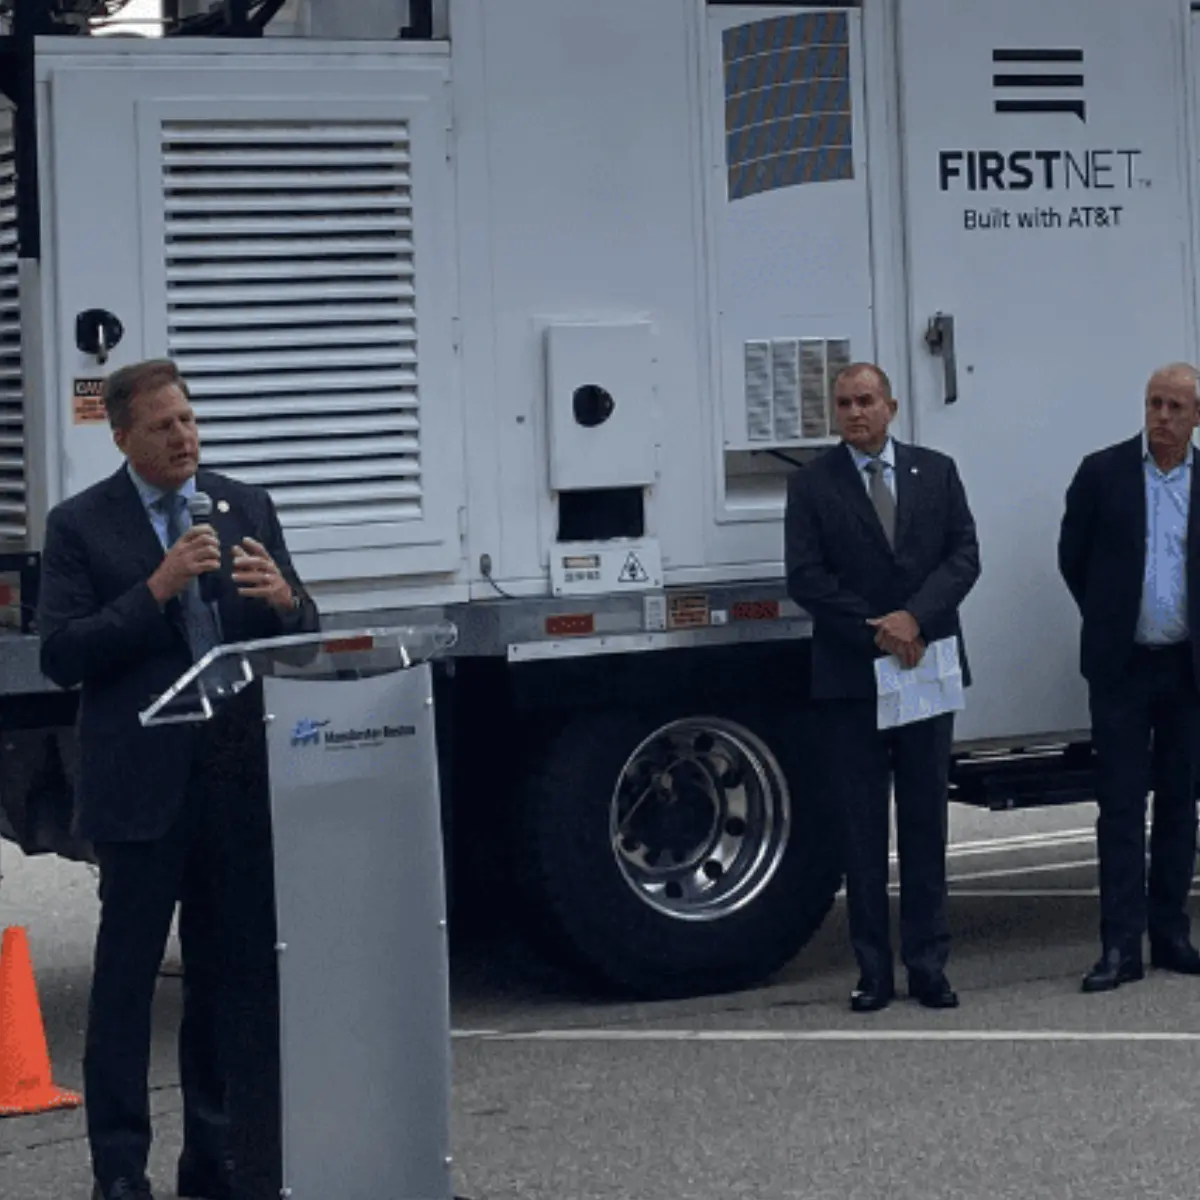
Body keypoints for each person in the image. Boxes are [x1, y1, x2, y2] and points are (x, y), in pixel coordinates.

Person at [37, 358, 320, 1200]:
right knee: (125, 986)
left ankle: (219, 1160)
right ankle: (120, 1171)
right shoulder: (81, 526)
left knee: (227, 980)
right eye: (163, 426)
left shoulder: (243, 506)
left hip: (234, 784)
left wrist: (285, 605)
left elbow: (305, 633)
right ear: (123, 437)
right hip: (139, 789)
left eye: (190, 421)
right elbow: (61, 654)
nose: (184, 438)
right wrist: (157, 590)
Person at [784, 362, 981, 1012]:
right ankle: (872, 970)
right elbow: (807, 579)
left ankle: (929, 964)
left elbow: (963, 556)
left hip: (925, 664)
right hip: (854, 675)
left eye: (866, 400)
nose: (856, 413)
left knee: (926, 821)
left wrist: (915, 619)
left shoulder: (938, 471)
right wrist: (878, 631)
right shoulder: (813, 485)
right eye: (844, 404)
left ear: (892, 406)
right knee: (863, 828)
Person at [1058, 361, 1200, 994]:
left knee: (1179, 802)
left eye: (1175, 406)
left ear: (1196, 416)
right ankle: (1120, 946)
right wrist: (1110, 615)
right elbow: (1073, 557)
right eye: (1154, 404)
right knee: (1119, 805)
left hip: (1187, 670)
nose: (1162, 417)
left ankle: (1169, 933)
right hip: (1122, 667)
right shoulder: (1103, 473)